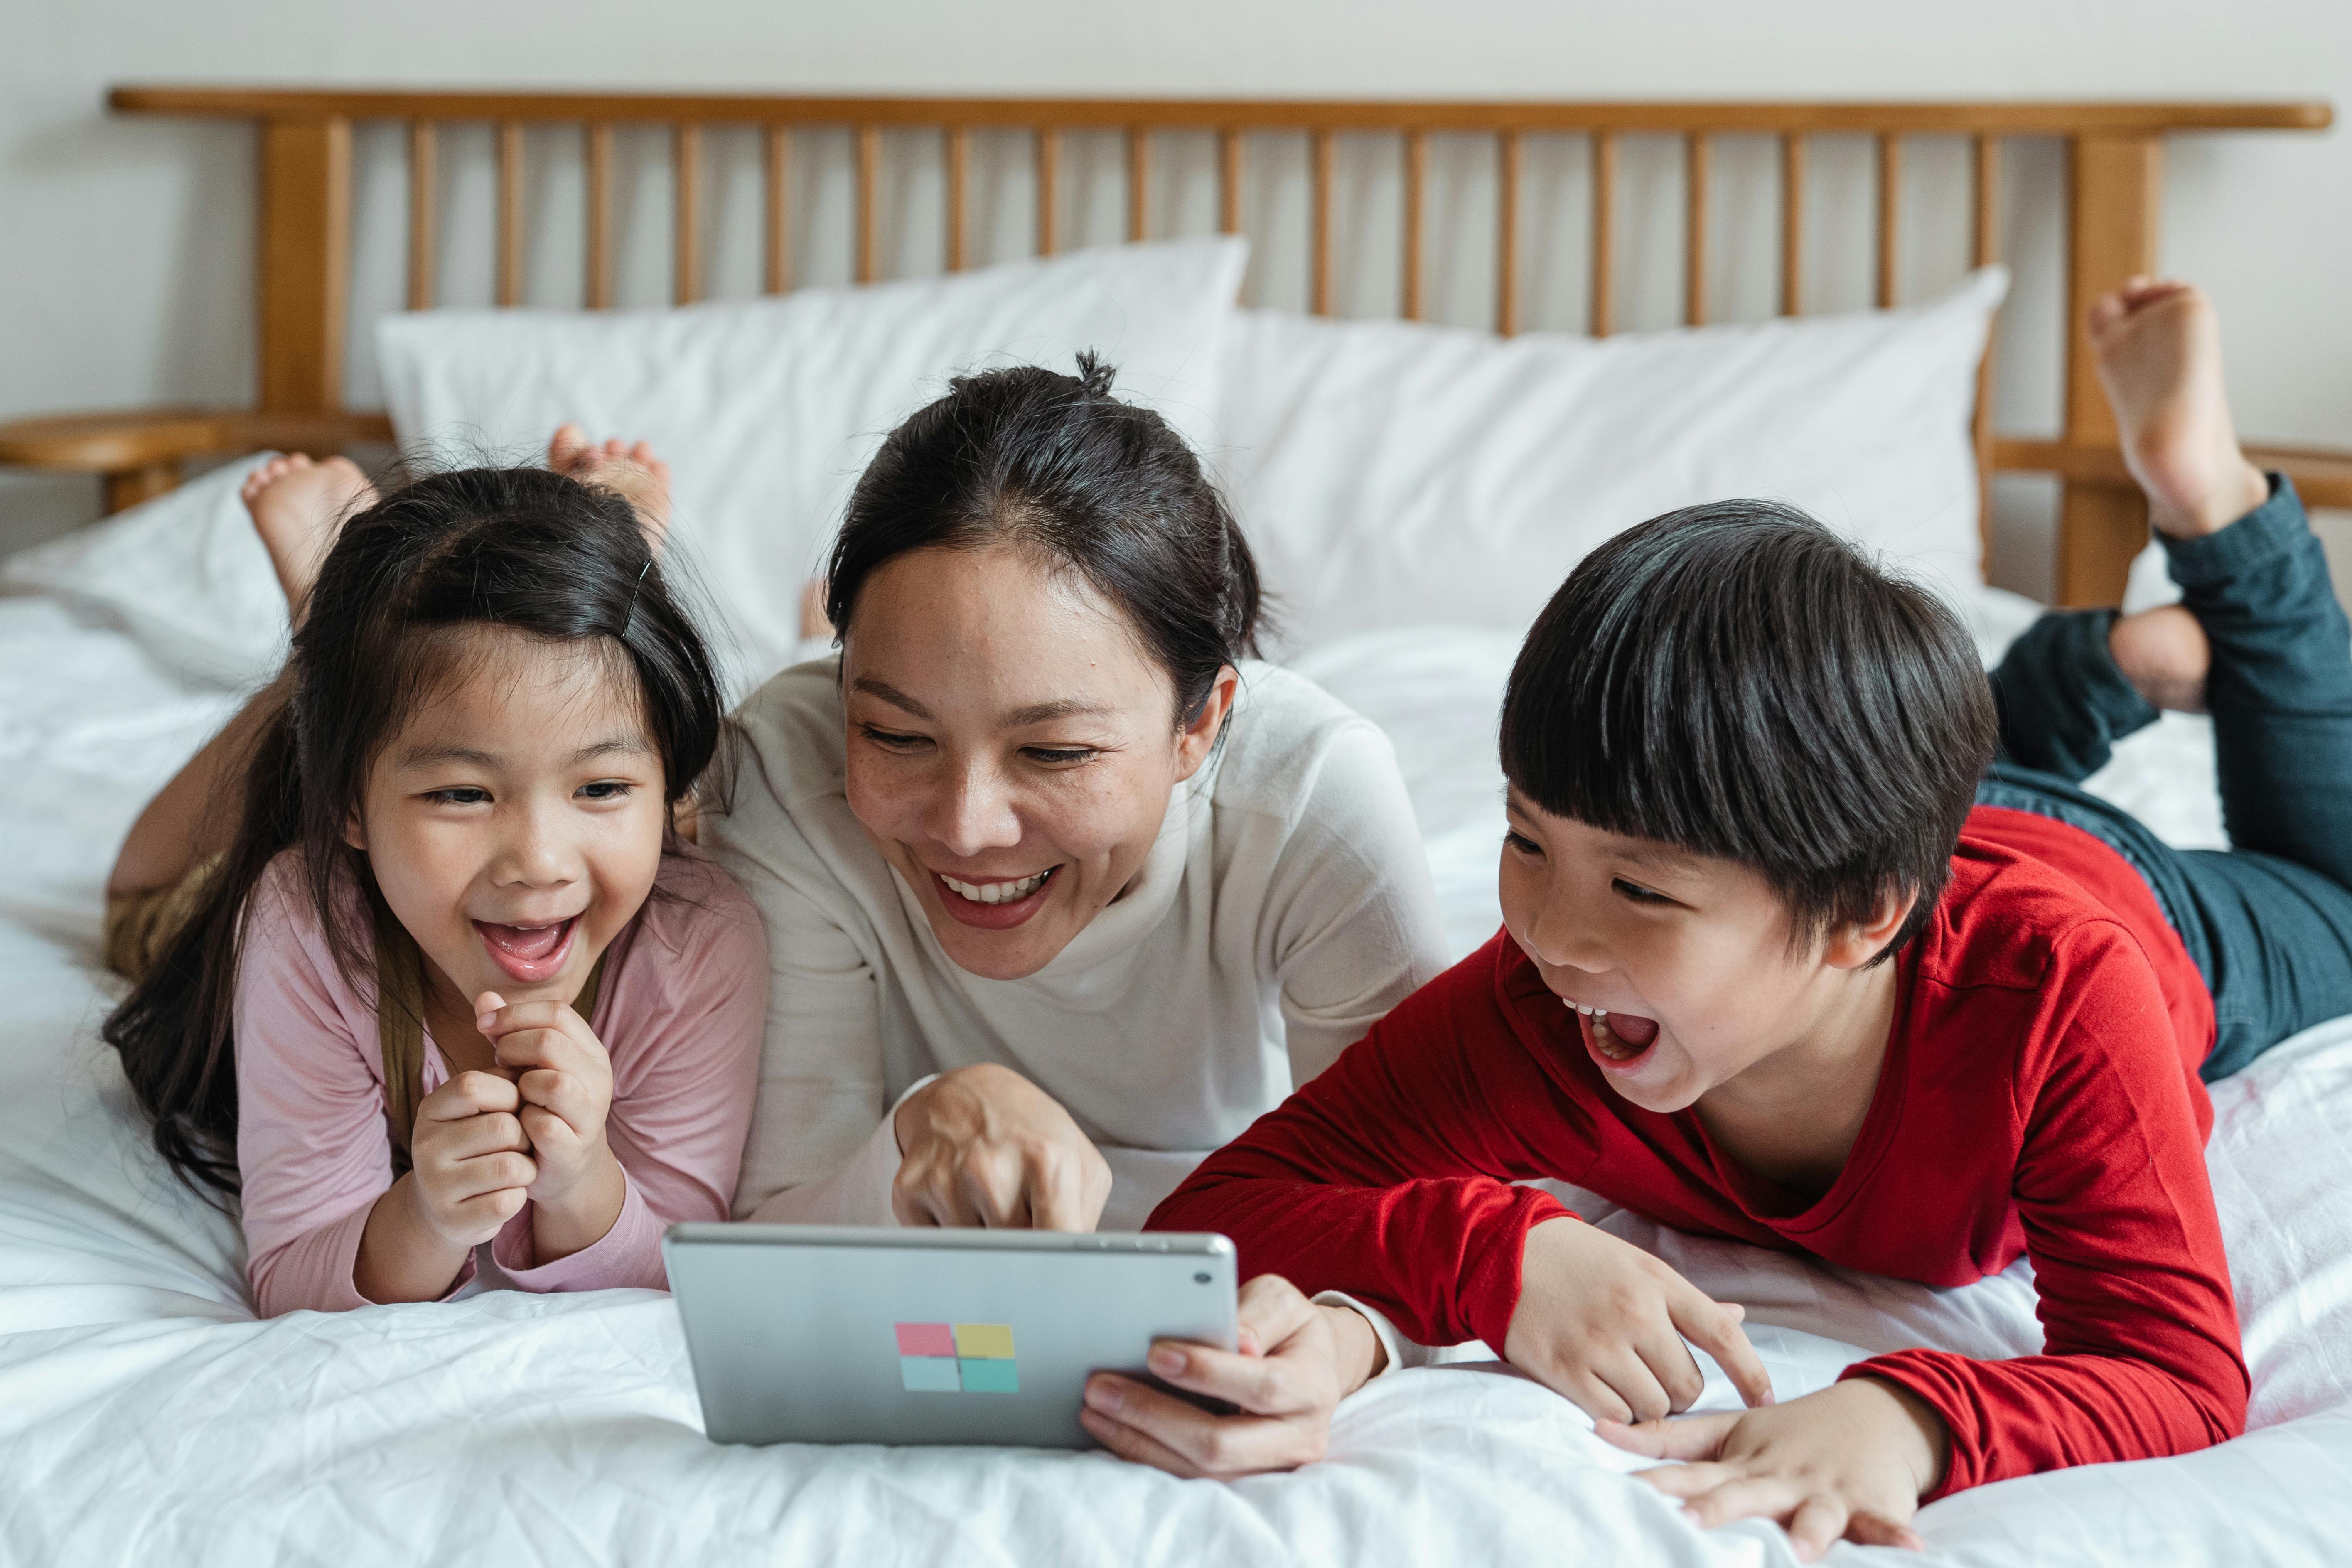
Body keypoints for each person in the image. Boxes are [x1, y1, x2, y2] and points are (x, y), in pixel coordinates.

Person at [1107, 280, 2337, 1556]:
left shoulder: (2060, 994)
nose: (1551, 931)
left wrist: (1908, 1418)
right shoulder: (1546, 1000)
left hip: (2112, 880)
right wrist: (1493, 1251)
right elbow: (1228, 1201)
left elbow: (2172, 1368)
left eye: (1637, 886)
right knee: (1918, 769)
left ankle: (2211, 516)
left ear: (1860, 916)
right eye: (1527, 839)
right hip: (1878, 832)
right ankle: (2072, 681)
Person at [704, 354, 1473, 1236]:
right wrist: (912, 1132)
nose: (966, 829)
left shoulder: (1309, 796)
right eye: (896, 735)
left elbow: (1420, 1214)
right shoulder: (782, 773)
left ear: (1200, 725)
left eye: (1054, 751)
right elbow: (768, 1235)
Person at [103, 440, 765, 1316]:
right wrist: (421, 1219)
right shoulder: (303, 921)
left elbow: (684, 1265)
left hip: (639, 844)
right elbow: (293, 1272)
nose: (536, 861)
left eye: (601, 787)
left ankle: (567, 581)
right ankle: (323, 650)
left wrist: (583, 1184)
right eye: (461, 793)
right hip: (349, 864)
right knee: (132, 905)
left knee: (604, 765)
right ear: (344, 803)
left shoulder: (701, 942)